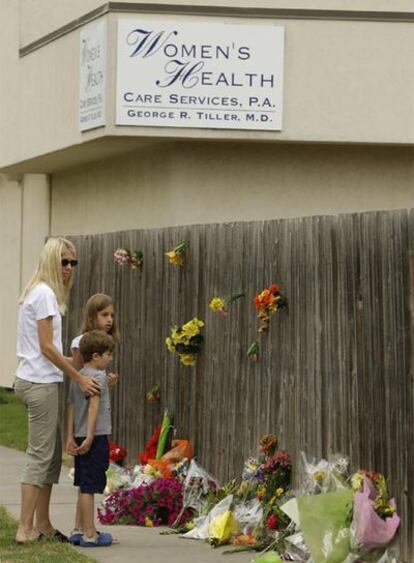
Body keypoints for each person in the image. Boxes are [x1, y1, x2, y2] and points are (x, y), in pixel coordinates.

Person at [14, 237, 100, 544]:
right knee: (40, 457)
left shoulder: (38, 292)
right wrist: (77, 375)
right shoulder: (46, 294)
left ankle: (44, 523)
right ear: (51, 260)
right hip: (39, 384)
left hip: (36, 378)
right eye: (64, 261)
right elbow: (46, 347)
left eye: (73, 262)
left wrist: (74, 358)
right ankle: (25, 529)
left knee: (49, 457)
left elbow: (46, 350)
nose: (68, 268)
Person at [66, 330, 115, 547]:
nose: (110, 358)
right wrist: (90, 437)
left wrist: (70, 436)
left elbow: (71, 407)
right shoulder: (98, 377)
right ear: (95, 356)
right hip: (94, 437)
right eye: (108, 355)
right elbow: (94, 406)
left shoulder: (78, 376)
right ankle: (90, 534)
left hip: (78, 435)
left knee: (84, 483)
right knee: (90, 486)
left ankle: (79, 531)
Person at [70, 293, 120, 386]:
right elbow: (76, 374)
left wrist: (105, 381)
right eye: (104, 315)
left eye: (112, 316)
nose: (110, 319)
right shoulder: (81, 341)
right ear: (91, 317)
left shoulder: (105, 342)